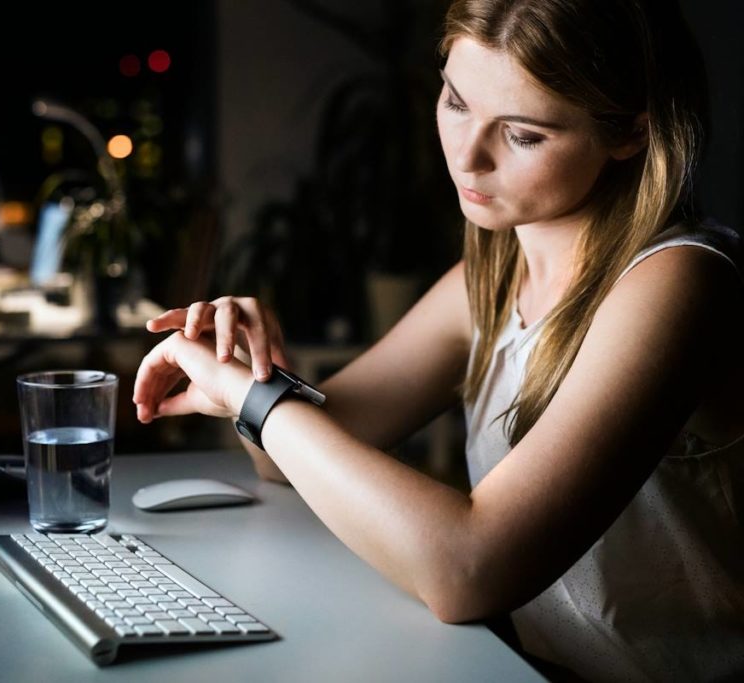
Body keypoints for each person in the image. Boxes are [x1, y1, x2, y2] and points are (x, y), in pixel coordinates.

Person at [132, 0, 744, 680]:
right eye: (455, 101)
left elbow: (469, 568)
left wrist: (257, 401)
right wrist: (251, 373)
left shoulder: (681, 281)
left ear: (631, 133)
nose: (467, 156)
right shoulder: (488, 275)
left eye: (523, 135)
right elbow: (296, 454)